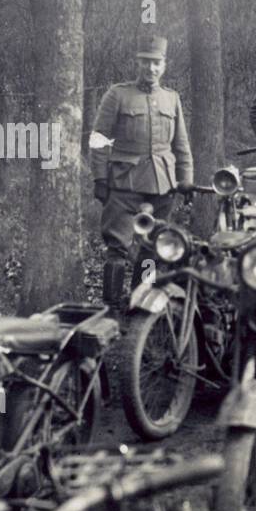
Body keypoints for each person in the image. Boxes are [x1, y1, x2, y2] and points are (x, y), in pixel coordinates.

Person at [89, 35, 193, 309]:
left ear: (164, 65)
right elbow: (99, 138)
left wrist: (186, 180)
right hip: (125, 184)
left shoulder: (171, 99)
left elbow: (181, 144)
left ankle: (140, 302)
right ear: (137, 63)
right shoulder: (118, 94)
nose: (151, 69)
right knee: (118, 247)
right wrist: (100, 178)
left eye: (156, 63)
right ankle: (111, 309)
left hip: (163, 186)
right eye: (146, 63)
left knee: (152, 248)